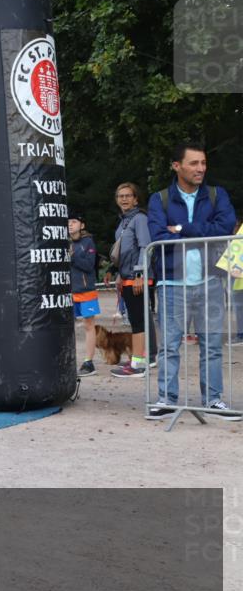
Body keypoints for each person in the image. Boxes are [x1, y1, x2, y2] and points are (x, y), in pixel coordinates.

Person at [147, 142, 240, 421]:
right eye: (194, 163)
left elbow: (224, 228)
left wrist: (182, 229)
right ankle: (167, 399)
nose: (201, 168)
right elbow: (158, 237)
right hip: (172, 284)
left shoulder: (216, 195)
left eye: (203, 163)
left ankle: (213, 400)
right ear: (177, 166)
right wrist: (198, 235)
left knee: (211, 345)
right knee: (169, 346)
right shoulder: (159, 199)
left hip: (210, 281)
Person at [104, 183, 155, 377]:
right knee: (135, 320)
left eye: (128, 195)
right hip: (127, 277)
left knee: (139, 321)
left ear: (136, 199)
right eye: (120, 196)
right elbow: (125, 251)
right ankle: (138, 360)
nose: (124, 199)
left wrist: (139, 275)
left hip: (138, 278)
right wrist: (119, 274)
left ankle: (139, 365)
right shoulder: (124, 221)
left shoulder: (139, 219)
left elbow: (145, 247)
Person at [69, 215, 101, 376]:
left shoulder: (88, 242)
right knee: (67, 327)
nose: (70, 225)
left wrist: (72, 257)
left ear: (82, 225)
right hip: (68, 292)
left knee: (89, 326)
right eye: (68, 222)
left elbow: (89, 266)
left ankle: (88, 362)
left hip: (85, 290)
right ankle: (68, 360)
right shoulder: (63, 242)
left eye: (74, 222)